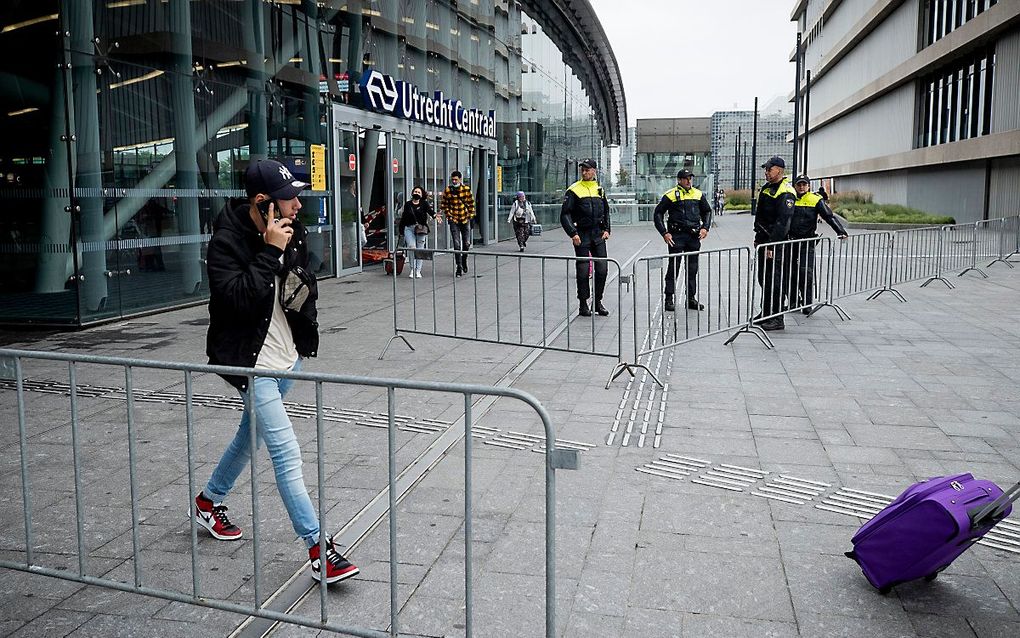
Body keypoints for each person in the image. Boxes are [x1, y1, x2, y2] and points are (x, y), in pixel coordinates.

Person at [199, 158, 359, 585]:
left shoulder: (294, 228)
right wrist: (270, 250)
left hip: (287, 357)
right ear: (262, 202)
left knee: (249, 437)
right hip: (252, 365)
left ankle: (207, 501)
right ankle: (318, 549)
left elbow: (303, 285)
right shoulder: (227, 241)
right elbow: (236, 301)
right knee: (286, 454)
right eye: (289, 199)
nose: (297, 206)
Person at [653, 169, 712, 312]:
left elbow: (707, 211)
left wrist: (705, 228)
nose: (688, 181)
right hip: (677, 236)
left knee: (692, 269)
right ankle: (669, 298)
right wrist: (664, 233)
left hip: (693, 237)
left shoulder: (697, 194)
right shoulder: (671, 195)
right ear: (679, 180)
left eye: (690, 178)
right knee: (674, 267)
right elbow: (658, 213)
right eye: (685, 178)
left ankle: (691, 298)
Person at [561, 158, 611, 317]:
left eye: (587, 169)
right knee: (583, 271)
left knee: (602, 269)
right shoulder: (573, 190)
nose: (584, 172)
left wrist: (607, 229)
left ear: (594, 171)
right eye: (582, 169)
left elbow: (606, 211)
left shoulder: (599, 189)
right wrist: (572, 233)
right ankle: (583, 304)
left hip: (598, 234)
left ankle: (598, 303)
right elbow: (564, 215)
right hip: (581, 235)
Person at [790, 175, 848, 314]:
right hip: (789, 241)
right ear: (795, 186)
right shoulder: (789, 198)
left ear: (809, 186)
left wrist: (841, 231)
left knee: (806, 272)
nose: (802, 187)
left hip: (807, 241)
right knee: (790, 272)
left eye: (804, 184)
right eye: (799, 184)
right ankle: (793, 302)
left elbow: (829, 216)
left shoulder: (815, 199)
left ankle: (807, 303)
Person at [753, 156, 796, 331]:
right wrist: (758, 237)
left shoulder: (786, 191)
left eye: (769, 169)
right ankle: (766, 312)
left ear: (779, 170)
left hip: (775, 242)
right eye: (766, 169)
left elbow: (783, 222)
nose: (766, 172)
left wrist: (772, 245)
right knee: (764, 279)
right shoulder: (768, 188)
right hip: (764, 239)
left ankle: (777, 318)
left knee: (775, 280)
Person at [439, 170, 475, 276]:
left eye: (456, 179)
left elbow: (471, 204)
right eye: (453, 179)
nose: (454, 181)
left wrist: (470, 216)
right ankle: (458, 266)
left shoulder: (466, 189)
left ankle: (464, 259)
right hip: (454, 219)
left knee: (466, 243)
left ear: (460, 179)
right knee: (456, 244)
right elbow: (444, 205)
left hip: (465, 219)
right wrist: (449, 215)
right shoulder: (448, 190)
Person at [399, 185, 439, 278]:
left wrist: (435, 216)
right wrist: (401, 230)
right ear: (412, 193)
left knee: (420, 249)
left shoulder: (424, 204)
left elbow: (430, 211)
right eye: (415, 192)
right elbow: (404, 217)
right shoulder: (408, 204)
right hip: (409, 228)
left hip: (421, 228)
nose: (416, 193)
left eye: (418, 192)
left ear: (422, 195)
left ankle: (418, 270)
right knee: (412, 247)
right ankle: (412, 269)